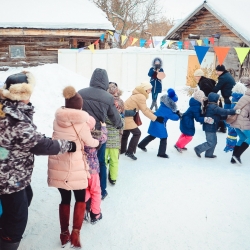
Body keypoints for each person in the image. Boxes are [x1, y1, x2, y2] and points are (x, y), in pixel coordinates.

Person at [0, 72, 76, 250]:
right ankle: (8, 239)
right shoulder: (14, 118)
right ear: (22, 94)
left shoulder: (7, 108)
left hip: (9, 166)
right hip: (9, 177)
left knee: (27, 196)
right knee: (17, 217)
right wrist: (67, 145)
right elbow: (39, 145)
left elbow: (22, 138)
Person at [47, 86, 100, 248]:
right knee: (79, 197)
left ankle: (64, 234)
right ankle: (76, 233)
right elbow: (89, 141)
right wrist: (97, 143)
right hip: (75, 166)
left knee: (64, 198)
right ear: (79, 107)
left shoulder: (58, 119)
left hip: (58, 162)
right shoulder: (81, 123)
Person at [78, 68, 123, 200]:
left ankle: (82, 189)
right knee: (100, 162)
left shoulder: (80, 93)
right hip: (98, 136)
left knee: (83, 161)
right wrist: (119, 125)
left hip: (82, 134)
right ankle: (101, 190)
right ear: (105, 81)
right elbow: (115, 118)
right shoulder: (108, 97)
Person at [121, 82, 164, 160]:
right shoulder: (141, 96)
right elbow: (144, 111)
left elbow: (145, 108)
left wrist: (154, 113)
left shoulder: (137, 94)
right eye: (149, 89)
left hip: (124, 116)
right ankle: (129, 152)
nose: (150, 91)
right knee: (137, 133)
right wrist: (156, 118)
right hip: (127, 117)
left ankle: (122, 150)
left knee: (125, 133)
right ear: (144, 89)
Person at [194, 92, 240, 158]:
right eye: (218, 99)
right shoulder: (213, 107)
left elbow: (217, 117)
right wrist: (234, 111)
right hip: (209, 127)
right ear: (215, 100)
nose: (219, 101)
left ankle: (208, 154)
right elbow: (224, 111)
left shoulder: (211, 107)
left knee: (213, 142)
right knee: (211, 142)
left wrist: (226, 117)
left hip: (211, 127)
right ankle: (198, 149)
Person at [138, 88, 180, 158]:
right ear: (171, 102)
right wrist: (178, 115)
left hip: (154, 120)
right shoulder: (168, 110)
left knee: (152, 135)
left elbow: (168, 112)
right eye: (175, 102)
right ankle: (161, 153)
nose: (175, 103)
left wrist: (175, 112)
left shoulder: (163, 105)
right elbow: (174, 117)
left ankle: (141, 145)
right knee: (164, 137)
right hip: (160, 123)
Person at [84, 117, 107, 224]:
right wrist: (103, 127)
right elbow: (104, 137)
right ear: (92, 126)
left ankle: (85, 207)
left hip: (81, 169)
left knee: (85, 189)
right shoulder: (95, 137)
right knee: (96, 191)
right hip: (93, 170)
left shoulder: (78, 136)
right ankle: (95, 214)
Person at [105, 82, 124, 185]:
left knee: (103, 160)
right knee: (114, 160)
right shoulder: (120, 102)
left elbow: (102, 117)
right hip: (116, 136)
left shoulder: (104, 101)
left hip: (105, 136)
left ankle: (102, 176)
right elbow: (122, 120)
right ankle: (113, 178)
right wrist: (121, 131)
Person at [229, 77, 250, 164]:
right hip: (243, 122)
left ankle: (233, 159)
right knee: (249, 138)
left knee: (242, 138)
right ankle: (237, 155)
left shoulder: (244, 96)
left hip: (236, 121)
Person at [224, 81, 246, 156]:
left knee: (231, 134)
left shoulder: (232, 98)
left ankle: (229, 147)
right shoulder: (243, 98)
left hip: (231, 118)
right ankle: (238, 147)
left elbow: (226, 108)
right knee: (242, 136)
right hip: (240, 120)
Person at [213, 64, 236, 132]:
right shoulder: (227, 75)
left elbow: (217, 87)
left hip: (228, 97)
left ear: (221, 71)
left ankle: (226, 127)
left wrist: (210, 93)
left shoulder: (223, 77)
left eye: (217, 71)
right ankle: (226, 127)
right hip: (230, 96)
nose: (216, 72)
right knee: (227, 112)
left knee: (225, 113)